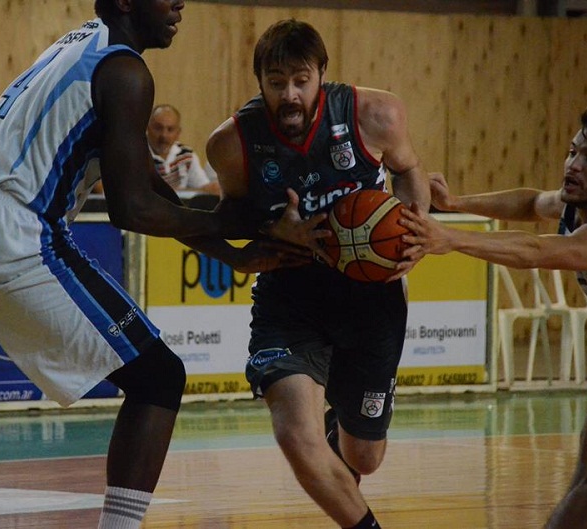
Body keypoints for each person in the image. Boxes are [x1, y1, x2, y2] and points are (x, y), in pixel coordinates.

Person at [0, 3, 326, 529]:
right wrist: (242, 223)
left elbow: (151, 188)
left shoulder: (79, 44)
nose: (178, 3)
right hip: (8, 225)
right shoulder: (126, 71)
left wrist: (234, 252)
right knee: (158, 378)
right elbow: (133, 209)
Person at [205, 19, 430, 529]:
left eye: (300, 80)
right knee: (293, 434)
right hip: (290, 295)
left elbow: (408, 171)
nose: (289, 94)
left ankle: (340, 431)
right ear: (259, 82)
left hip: (371, 298)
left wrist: (415, 232)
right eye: (276, 81)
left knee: (365, 456)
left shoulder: (376, 113)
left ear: (322, 75)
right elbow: (231, 217)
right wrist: (270, 228)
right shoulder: (232, 143)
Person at [398, 100, 587, 529]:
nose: (573, 165)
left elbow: (537, 250)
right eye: (573, 151)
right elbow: (530, 203)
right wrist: (455, 203)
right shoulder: (576, 203)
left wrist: (451, 238)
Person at [147, 103, 220, 194]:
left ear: (178, 133)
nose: (164, 135)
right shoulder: (137, 156)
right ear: (147, 129)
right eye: (158, 128)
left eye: (170, 129)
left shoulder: (186, 155)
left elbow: (203, 188)